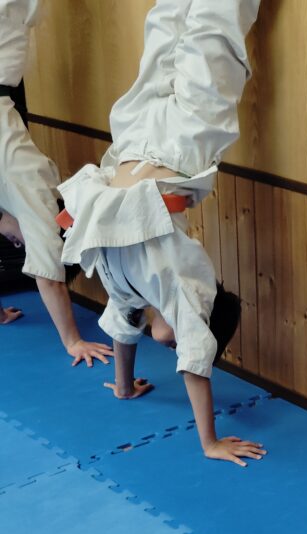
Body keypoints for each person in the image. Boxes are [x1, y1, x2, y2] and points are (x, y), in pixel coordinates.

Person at [58, 0, 265, 467]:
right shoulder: (189, 291)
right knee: (214, 34)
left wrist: (125, 387)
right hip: (186, 144)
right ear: (204, 316)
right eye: (174, 344)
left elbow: (122, 328)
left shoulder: (133, 289)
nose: (169, 345)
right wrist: (209, 441)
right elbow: (197, 360)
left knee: (166, 28)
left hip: (133, 139)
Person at [0, 0, 113, 362]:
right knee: (41, 229)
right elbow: (49, 267)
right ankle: (69, 339)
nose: (18, 244)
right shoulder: (20, 167)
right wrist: (74, 341)